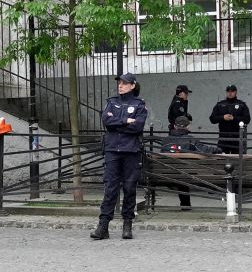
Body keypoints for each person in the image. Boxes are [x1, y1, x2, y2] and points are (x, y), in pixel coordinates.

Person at [91, 72, 148, 241]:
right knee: (110, 188)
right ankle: (103, 226)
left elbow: (137, 127)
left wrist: (119, 123)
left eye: (124, 83)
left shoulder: (139, 104)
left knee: (129, 188)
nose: (120, 85)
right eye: (119, 83)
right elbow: (106, 122)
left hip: (131, 151)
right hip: (112, 150)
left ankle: (127, 224)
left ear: (132, 85)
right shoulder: (111, 102)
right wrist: (126, 121)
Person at [159, 115, 220, 210]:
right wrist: (219, 149)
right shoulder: (191, 140)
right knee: (185, 173)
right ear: (188, 127)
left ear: (174, 126)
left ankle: (184, 205)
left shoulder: (166, 140)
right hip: (187, 174)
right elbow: (205, 150)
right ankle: (186, 205)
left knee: (180, 172)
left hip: (167, 174)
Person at [209, 84, 251, 154]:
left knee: (238, 161)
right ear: (226, 92)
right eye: (228, 91)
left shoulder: (242, 104)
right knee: (221, 160)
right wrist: (223, 117)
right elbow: (212, 119)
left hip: (237, 138)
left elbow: (247, 119)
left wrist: (234, 118)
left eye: (232, 91)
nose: (230, 93)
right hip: (223, 138)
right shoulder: (219, 104)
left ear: (236, 92)